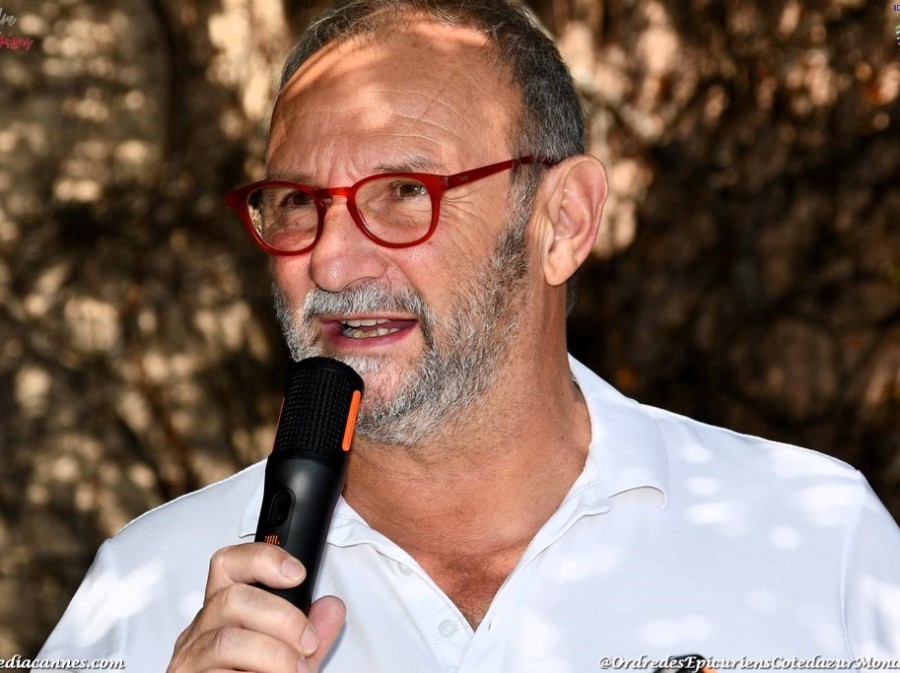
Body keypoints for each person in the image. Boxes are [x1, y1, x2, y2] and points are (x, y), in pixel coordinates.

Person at [37, 0, 900, 671]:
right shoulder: (150, 589)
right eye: (297, 202)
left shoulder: (816, 542)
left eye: (404, 192)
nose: (329, 260)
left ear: (563, 221)